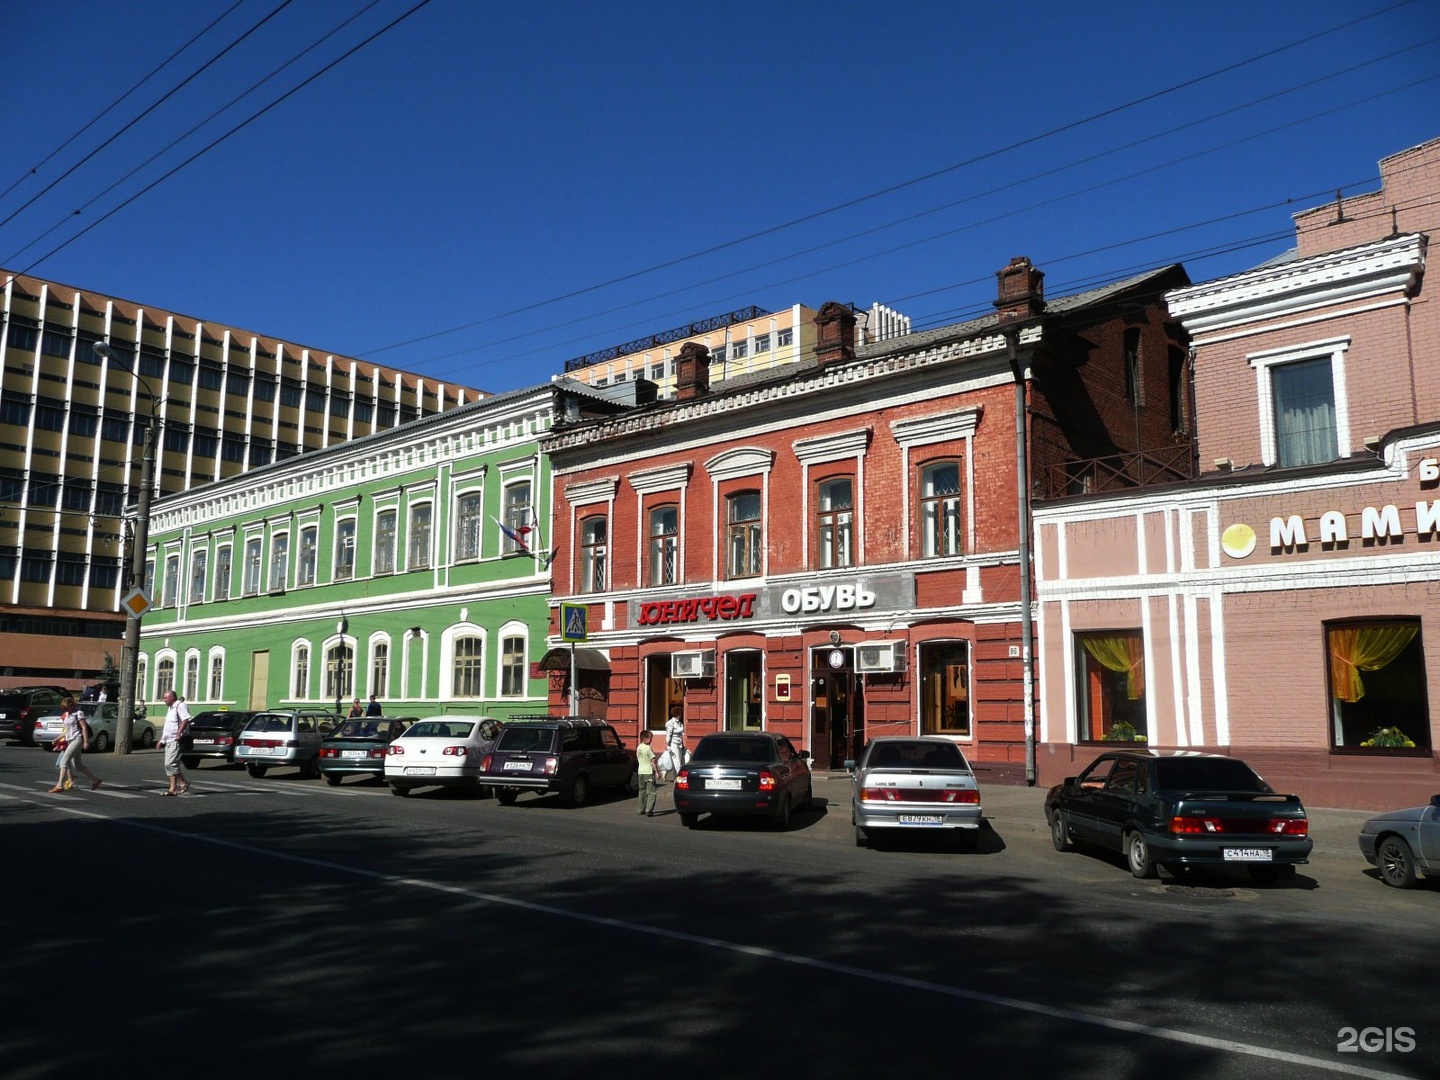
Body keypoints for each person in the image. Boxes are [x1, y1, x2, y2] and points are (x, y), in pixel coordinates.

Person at [49, 696, 102, 793]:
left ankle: (60, 785)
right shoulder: (67, 715)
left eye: (66, 707)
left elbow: (84, 728)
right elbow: (67, 731)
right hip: (70, 740)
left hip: (77, 740)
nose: (65, 710)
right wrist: (57, 739)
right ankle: (95, 780)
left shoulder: (78, 713)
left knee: (63, 762)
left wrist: (85, 741)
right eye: (64, 708)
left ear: (72, 705)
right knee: (78, 766)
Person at [158, 689, 193, 796]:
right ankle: (174, 787)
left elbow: (185, 719)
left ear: (172, 697)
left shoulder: (180, 705)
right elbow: (168, 725)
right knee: (170, 765)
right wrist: (161, 740)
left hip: (176, 740)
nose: (163, 700)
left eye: (165, 697)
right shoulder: (171, 708)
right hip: (168, 740)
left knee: (170, 763)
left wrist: (179, 732)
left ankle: (181, 783)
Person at [636, 730, 658, 817]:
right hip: (648, 772)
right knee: (651, 792)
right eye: (650, 739)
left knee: (642, 791)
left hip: (640, 772)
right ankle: (648, 809)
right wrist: (657, 772)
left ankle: (640, 809)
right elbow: (653, 761)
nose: (651, 740)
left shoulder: (639, 748)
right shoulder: (648, 748)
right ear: (645, 739)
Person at [663, 712, 687, 780]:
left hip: (679, 744)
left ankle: (671, 775)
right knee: (677, 763)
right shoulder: (670, 723)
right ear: (677, 714)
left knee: (679, 762)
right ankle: (678, 779)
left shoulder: (679, 723)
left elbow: (680, 736)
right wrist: (668, 745)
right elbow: (668, 734)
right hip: (673, 744)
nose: (681, 715)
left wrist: (683, 745)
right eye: (680, 714)